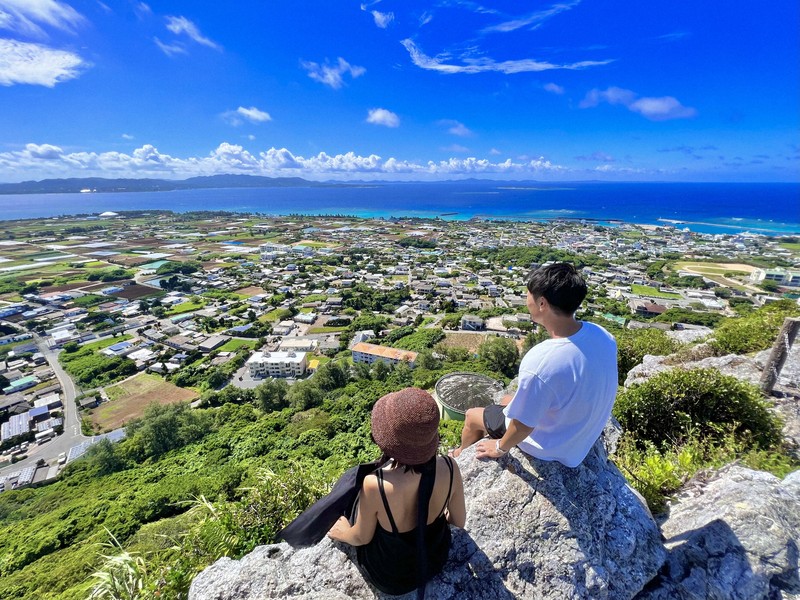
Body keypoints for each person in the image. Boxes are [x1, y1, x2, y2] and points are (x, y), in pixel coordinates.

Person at [452, 262, 618, 467]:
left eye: (528, 293)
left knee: (471, 415)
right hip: (580, 438)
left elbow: (522, 426)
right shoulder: (602, 335)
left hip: (549, 446)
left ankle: (459, 454)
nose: (526, 299)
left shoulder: (543, 360)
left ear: (542, 303)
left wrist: (499, 447)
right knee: (507, 399)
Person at [328, 387, 466, 596]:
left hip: (391, 578)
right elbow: (458, 521)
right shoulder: (450, 466)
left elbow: (361, 538)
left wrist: (343, 532)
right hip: (434, 559)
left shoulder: (376, 485)